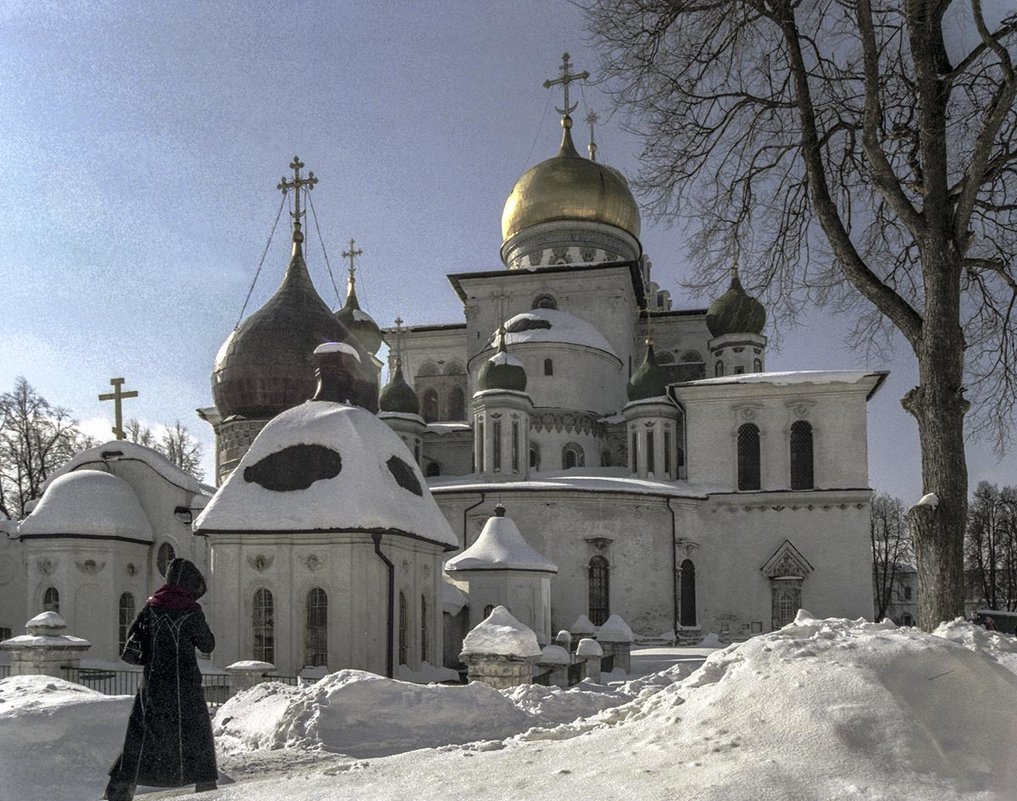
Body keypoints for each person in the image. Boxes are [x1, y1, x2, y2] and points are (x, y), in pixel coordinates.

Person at [104, 558, 218, 800]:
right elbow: (208, 643)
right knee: (196, 736)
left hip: (153, 684)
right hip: (184, 687)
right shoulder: (191, 611)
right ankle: (206, 790)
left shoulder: (151, 606)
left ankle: (118, 792)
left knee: (140, 737)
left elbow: (133, 637)